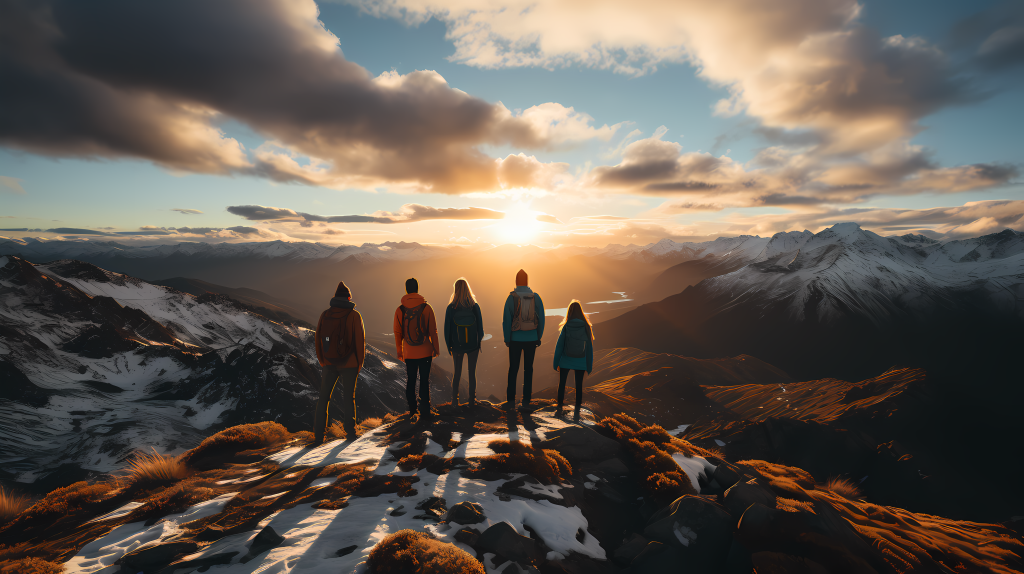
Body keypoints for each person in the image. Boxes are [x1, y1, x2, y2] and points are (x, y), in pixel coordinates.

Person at [313, 281, 365, 444]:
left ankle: (319, 435)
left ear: (335, 297)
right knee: (349, 398)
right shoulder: (354, 315)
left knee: (324, 398)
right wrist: (359, 363)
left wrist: (322, 359)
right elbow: (359, 341)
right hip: (349, 363)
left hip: (328, 362)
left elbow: (318, 338)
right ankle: (350, 433)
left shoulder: (325, 314)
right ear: (349, 297)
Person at [393, 277, 440, 419]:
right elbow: (433, 330)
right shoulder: (426, 308)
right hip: (425, 351)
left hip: (409, 352)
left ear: (406, 290)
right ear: (417, 289)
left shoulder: (400, 310)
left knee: (411, 380)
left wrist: (400, 352)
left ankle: (413, 411)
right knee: (424, 381)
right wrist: (436, 349)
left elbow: (398, 333)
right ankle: (425, 410)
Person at [502, 269, 545, 411]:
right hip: (532, 338)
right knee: (528, 369)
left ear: (516, 281)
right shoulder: (535, 297)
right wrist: (538, 336)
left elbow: (507, 320)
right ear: (527, 281)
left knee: (513, 369)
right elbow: (542, 319)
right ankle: (526, 400)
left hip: (515, 338)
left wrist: (507, 338)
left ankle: (510, 400)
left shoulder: (511, 298)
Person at [444, 278, 484, 407]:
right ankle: (472, 401)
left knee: (457, 373)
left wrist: (449, 346)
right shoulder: (474, 306)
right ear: (468, 289)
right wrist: (478, 343)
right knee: (472, 373)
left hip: (457, 346)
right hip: (473, 346)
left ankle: (455, 401)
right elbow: (481, 329)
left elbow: (447, 330)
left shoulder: (451, 308)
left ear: (455, 290)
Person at [552, 300, 594, 419]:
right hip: (580, 360)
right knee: (579, 385)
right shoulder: (586, 327)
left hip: (565, 359)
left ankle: (559, 407)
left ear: (569, 312)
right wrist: (588, 365)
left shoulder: (567, 326)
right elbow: (589, 348)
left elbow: (559, 345)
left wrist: (556, 362)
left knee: (562, 384)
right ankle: (577, 410)